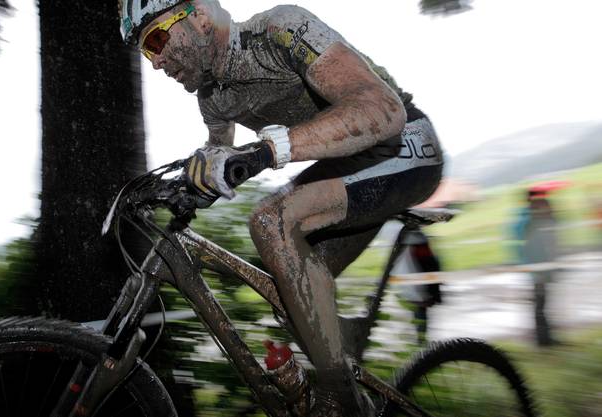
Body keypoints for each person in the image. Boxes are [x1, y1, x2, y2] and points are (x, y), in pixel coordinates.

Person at [118, 1, 443, 415]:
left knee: (271, 223)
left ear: (199, 14)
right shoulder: (213, 99)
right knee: (294, 297)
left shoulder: (279, 31)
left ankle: (336, 395)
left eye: (156, 39)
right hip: (347, 170)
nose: (156, 62)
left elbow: (382, 109)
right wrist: (185, 185)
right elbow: (221, 162)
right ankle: (352, 375)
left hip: (405, 145)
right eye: (146, 52)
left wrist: (268, 149)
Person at [513, 188, 560, 346]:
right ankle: (543, 339)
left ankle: (545, 336)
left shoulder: (533, 216)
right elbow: (529, 243)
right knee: (540, 302)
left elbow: (553, 228)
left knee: (542, 301)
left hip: (540, 265)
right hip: (536, 266)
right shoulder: (529, 219)